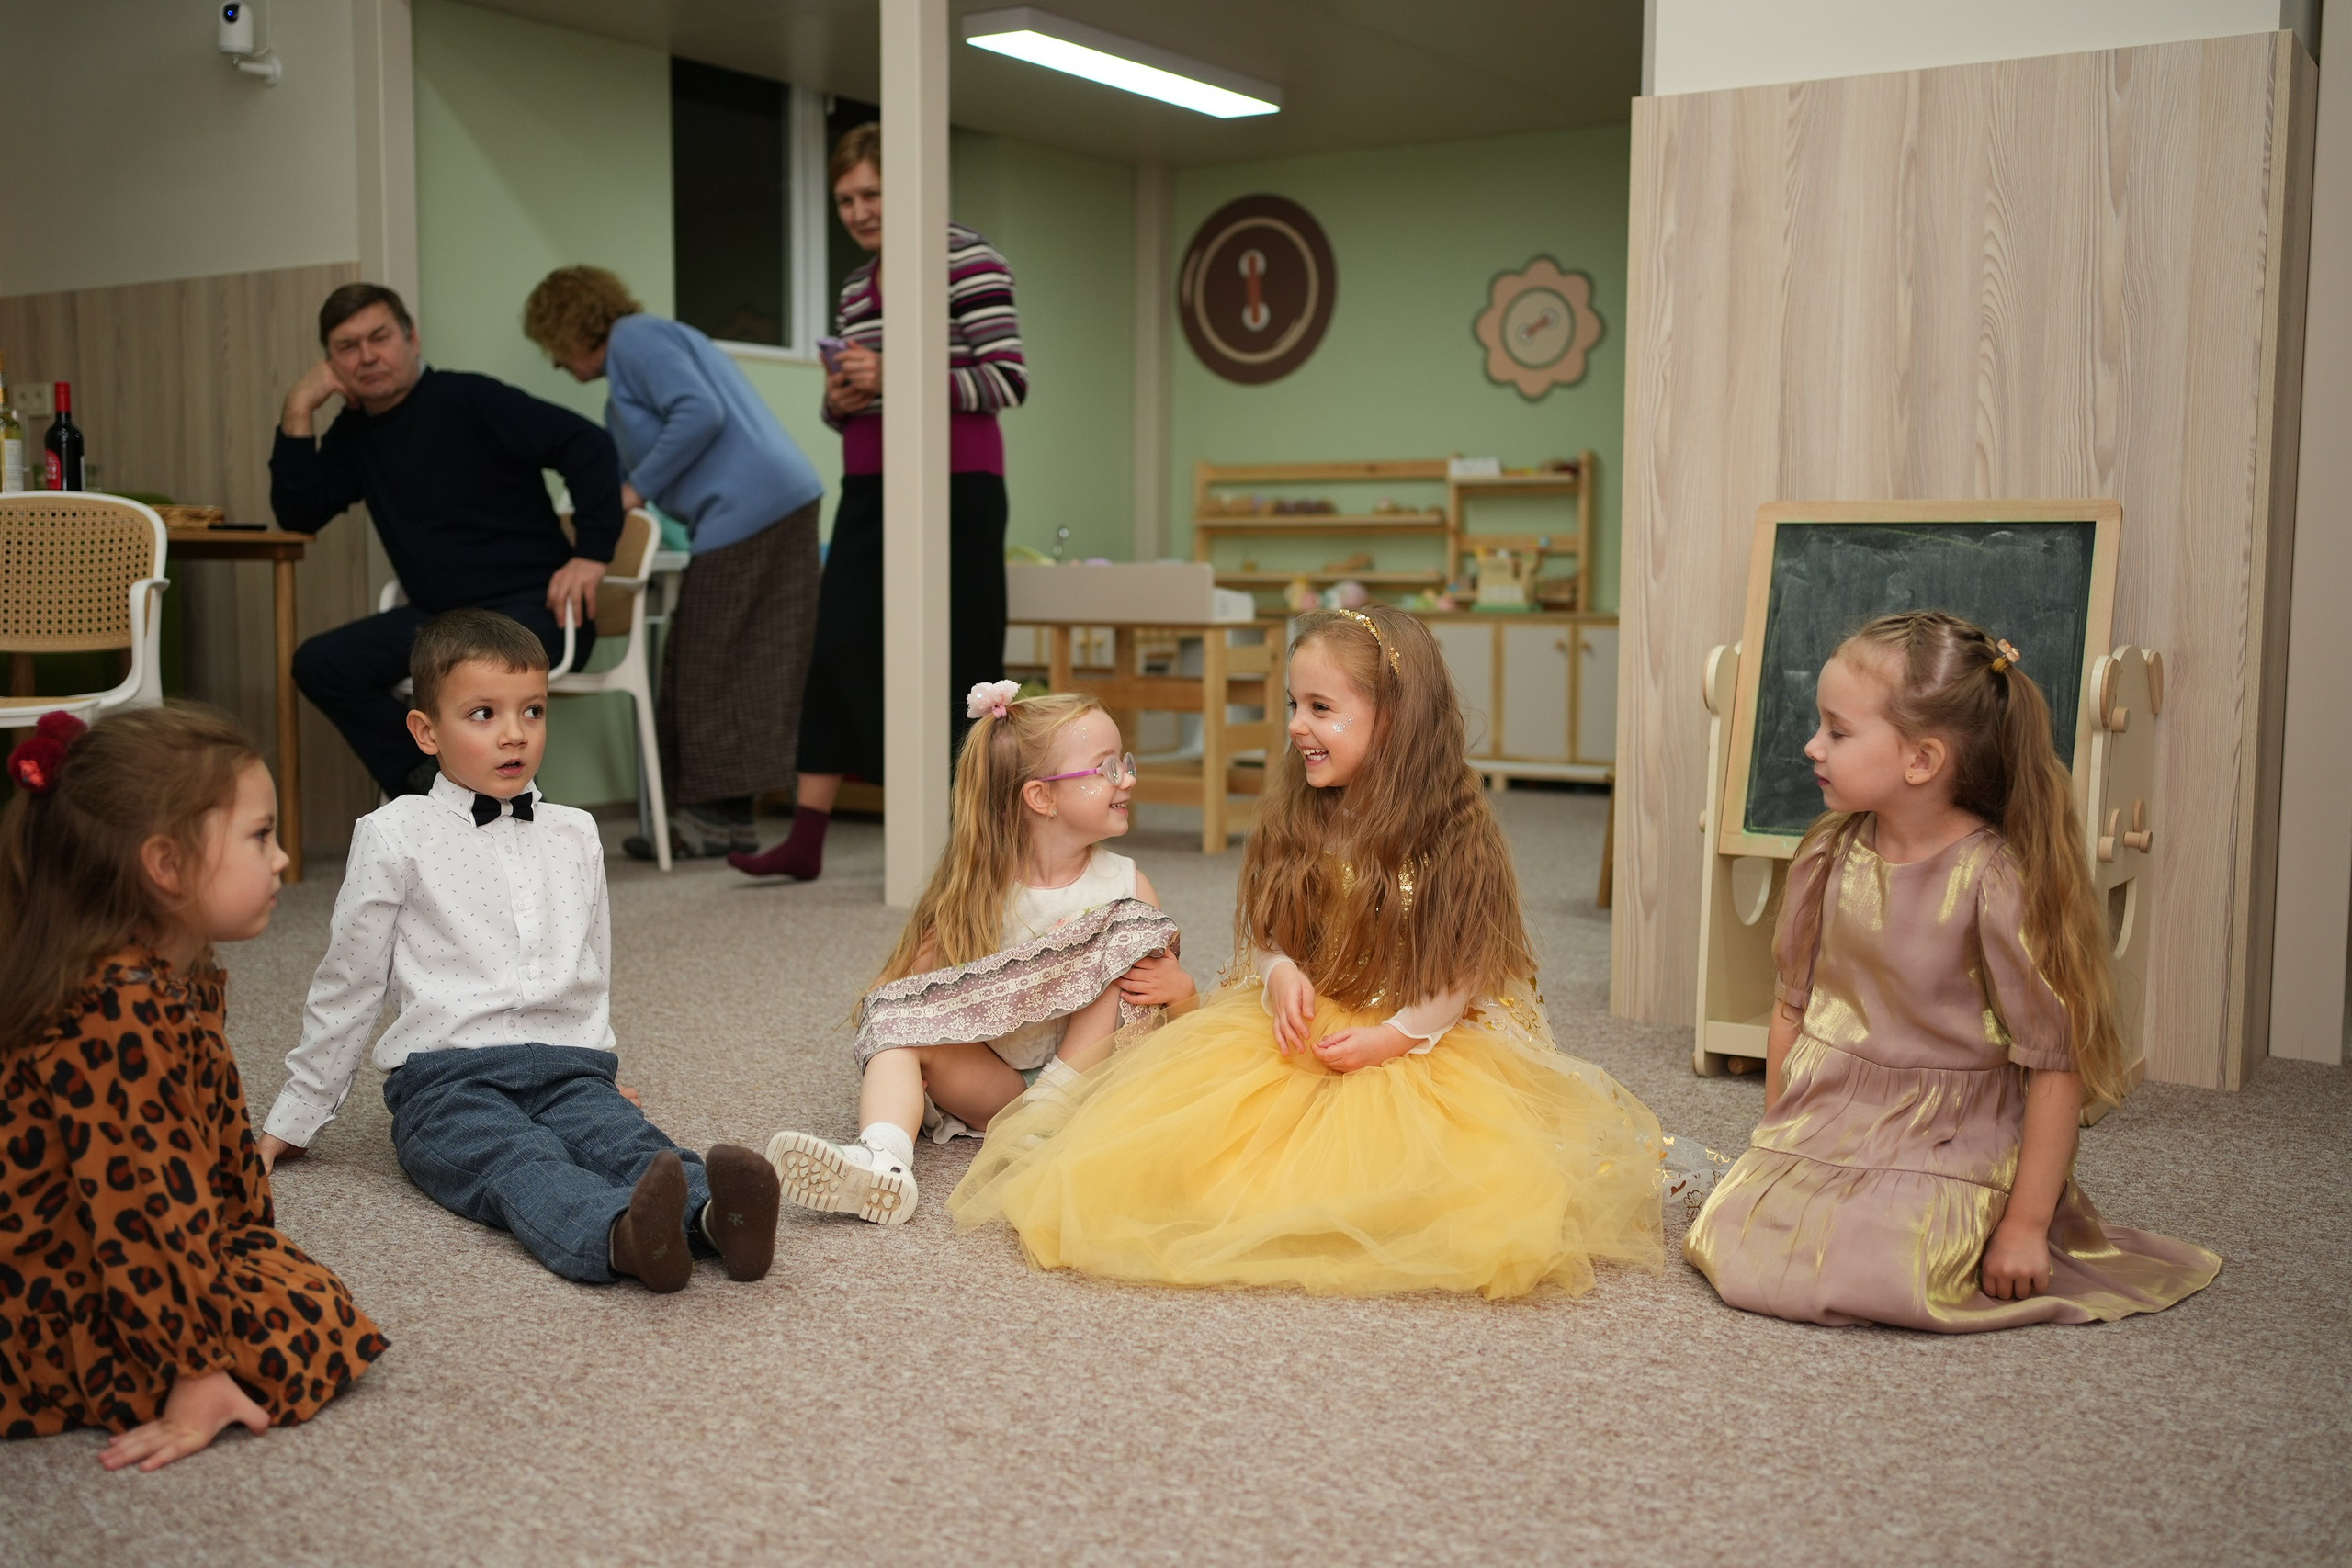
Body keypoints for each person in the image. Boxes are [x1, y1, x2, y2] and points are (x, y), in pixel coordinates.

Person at [951, 609, 1680, 1300]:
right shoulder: (1297, 812)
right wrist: (1280, 972)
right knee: (1203, 1159)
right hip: (1306, 1020)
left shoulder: (1456, 833)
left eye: (1321, 708)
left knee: (1444, 1180)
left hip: (1420, 1029)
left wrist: (1393, 1036)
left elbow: (1464, 966)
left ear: (1392, 720)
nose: (1297, 726)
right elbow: (1271, 928)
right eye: (1293, 704)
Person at [1683, 611, 2222, 1330]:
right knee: (1736, 1237)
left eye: (1838, 732)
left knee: (1883, 1266)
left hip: (1950, 1135)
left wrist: (2026, 1226)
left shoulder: (1993, 881)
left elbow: (2054, 1063)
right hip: (1834, 1115)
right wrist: (1778, 1142)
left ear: (1922, 760)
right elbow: (1793, 1008)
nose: (1813, 746)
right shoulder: (1826, 857)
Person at [254, 610, 782, 1293]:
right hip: (447, 1080)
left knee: (629, 1143)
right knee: (521, 1160)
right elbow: (350, 982)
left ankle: (715, 1218)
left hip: (567, 1067)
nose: (514, 733)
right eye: (482, 714)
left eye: (532, 711)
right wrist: (299, 1112)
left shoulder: (576, 831)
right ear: (426, 731)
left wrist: (598, 1061)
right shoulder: (394, 834)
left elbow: (592, 965)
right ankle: (622, 1238)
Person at [0, 705, 386, 1468]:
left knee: (288, 1284)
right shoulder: (118, 1015)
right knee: (308, 1324)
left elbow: (208, 1156)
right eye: (259, 836)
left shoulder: (170, 972)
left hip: (120, 1254)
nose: (280, 859)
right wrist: (197, 1365)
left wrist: (240, 1246)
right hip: (45, 1300)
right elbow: (143, 1211)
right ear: (166, 866)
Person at [766, 682, 1196, 1224]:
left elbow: (1158, 1020)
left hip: (1088, 1087)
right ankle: (884, 1161)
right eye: (1106, 768)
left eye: (1125, 764)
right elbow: (916, 992)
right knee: (894, 1019)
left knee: (1124, 931)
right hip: (1003, 1087)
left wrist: (1183, 994)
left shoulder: (1126, 885)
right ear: (1042, 797)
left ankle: (1045, 1120)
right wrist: (908, 1041)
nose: (1127, 779)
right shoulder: (977, 890)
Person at [731, 121, 1029, 883]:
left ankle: (971, 839)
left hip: (960, 485)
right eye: (845, 200)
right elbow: (857, 402)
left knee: (964, 655)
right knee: (835, 650)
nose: (859, 211)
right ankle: (807, 835)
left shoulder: (970, 259)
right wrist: (841, 397)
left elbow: (1006, 380)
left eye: (873, 193)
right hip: (869, 484)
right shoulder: (856, 287)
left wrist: (895, 374)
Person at [271, 282, 628, 798]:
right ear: (331, 362)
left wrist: (592, 554)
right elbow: (299, 511)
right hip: (439, 620)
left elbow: (588, 445)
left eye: (380, 337)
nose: (367, 356)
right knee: (321, 664)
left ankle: (498, 807)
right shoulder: (356, 434)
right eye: (348, 347)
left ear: (411, 338)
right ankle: (429, 786)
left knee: (472, 665)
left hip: (535, 608)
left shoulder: (471, 398)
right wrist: (298, 407)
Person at [525, 265, 828, 860]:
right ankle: (727, 821)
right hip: (768, 505)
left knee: (706, 665)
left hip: (753, 508)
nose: (556, 363)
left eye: (552, 347)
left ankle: (715, 821)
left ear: (570, 325)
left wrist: (635, 490)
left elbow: (699, 413)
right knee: (735, 664)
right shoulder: (626, 386)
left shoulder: (636, 336)